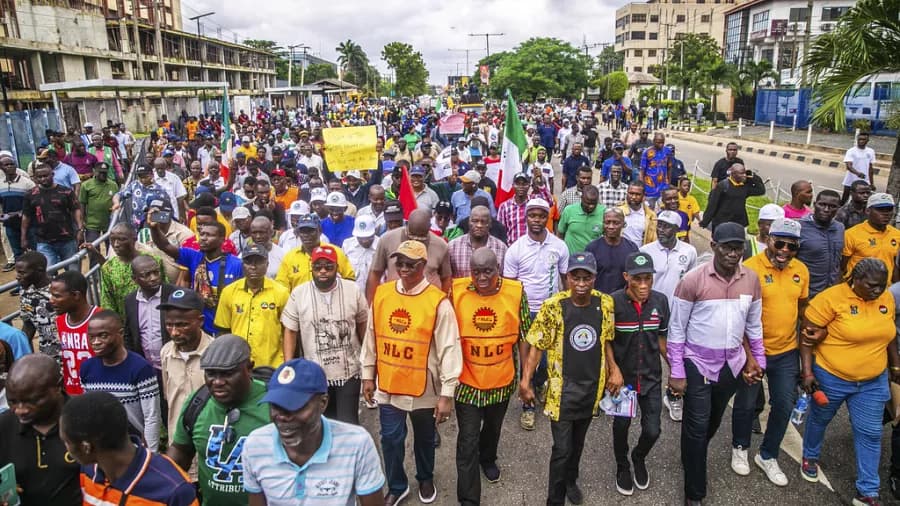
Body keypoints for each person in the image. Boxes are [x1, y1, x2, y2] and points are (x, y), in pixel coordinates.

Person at [667, 222, 765, 505]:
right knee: (697, 425)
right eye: (727, 247)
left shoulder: (751, 280)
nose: (733, 254)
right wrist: (676, 371)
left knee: (712, 420)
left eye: (738, 248)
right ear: (713, 247)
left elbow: (754, 326)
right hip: (697, 364)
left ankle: (691, 453)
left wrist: (758, 361)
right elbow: (676, 330)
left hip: (731, 365)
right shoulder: (693, 280)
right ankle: (694, 493)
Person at [361, 240, 462, 505]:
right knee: (391, 439)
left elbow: (450, 348)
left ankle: (425, 477)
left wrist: (446, 394)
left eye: (410, 264)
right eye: (399, 263)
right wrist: (367, 374)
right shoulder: (382, 294)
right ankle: (397, 485)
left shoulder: (438, 302)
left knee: (425, 437)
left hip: (424, 387)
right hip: (389, 383)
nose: (403, 269)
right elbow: (372, 337)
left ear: (423, 266)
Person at [800, 258, 899, 505]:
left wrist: (895, 364)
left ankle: (868, 491)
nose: (878, 291)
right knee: (820, 419)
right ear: (854, 279)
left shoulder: (884, 298)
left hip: (872, 382)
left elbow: (889, 334)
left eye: (882, 285)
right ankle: (810, 455)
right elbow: (806, 337)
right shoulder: (831, 299)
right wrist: (808, 373)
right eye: (872, 286)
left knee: (871, 433)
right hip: (832, 376)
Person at [519, 252, 614, 506]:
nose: (581, 284)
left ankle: (571, 480)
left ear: (595, 278)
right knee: (561, 449)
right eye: (576, 277)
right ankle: (555, 499)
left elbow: (605, 340)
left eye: (587, 278)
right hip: (562, 390)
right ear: (567, 277)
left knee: (578, 443)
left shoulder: (604, 304)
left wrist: (614, 369)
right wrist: (526, 380)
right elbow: (537, 345)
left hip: (592, 387)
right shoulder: (554, 306)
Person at [243, 359, 386, 505]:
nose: (282, 417)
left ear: (323, 403)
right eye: (276, 406)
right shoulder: (255, 446)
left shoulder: (357, 444)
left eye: (295, 406)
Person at [451, 248, 529, 504]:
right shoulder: (457, 292)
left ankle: (488, 458)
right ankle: (469, 500)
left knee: (493, 429)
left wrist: (525, 378)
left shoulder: (515, 292)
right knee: (467, 441)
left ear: (499, 269)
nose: (481, 277)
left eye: (488, 271)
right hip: (467, 383)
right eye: (476, 272)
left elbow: (524, 336)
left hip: (501, 381)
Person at [737, 218, 808, 487]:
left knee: (783, 405)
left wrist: (805, 358)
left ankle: (767, 455)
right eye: (780, 243)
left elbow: (802, 313)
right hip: (753, 351)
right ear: (768, 240)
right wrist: (750, 356)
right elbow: (740, 318)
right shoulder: (750, 269)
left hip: (786, 351)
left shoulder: (801, 270)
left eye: (792, 246)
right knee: (745, 405)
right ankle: (740, 448)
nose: (785, 250)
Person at [168, 334, 270, 506]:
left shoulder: (274, 405)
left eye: (227, 373)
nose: (217, 382)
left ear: (249, 368)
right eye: (210, 373)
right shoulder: (197, 403)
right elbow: (180, 451)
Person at [61, 391, 198, 505]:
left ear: (86, 448)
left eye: (66, 441)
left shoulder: (174, 490)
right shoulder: (89, 472)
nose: (66, 448)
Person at [281, 245, 368, 424]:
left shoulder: (353, 290)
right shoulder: (299, 294)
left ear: (337, 268)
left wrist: (368, 366)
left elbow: (363, 327)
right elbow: (290, 330)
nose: (323, 271)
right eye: (318, 266)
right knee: (320, 424)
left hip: (349, 371)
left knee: (347, 423)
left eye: (328, 267)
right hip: (314, 373)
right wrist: (289, 365)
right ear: (311, 268)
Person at [607, 251, 670, 496]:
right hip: (623, 382)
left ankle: (639, 456)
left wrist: (676, 369)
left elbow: (662, 338)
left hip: (652, 378)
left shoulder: (661, 301)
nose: (643, 285)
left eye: (648, 278)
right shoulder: (612, 303)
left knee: (653, 429)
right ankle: (622, 465)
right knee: (621, 426)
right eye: (637, 279)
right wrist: (614, 370)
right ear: (626, 277)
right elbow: (606, 341)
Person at [503, 198, 569, 431]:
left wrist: (568, 307)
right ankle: (527, 406)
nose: (537, 220)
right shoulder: (516, 249)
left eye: (541, 215)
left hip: (551, 311)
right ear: (526, 217)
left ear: (547, 217)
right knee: (527, 361)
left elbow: (565, 279)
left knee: (547, 360)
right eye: (533, 215)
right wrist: (514, 316)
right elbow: (509, 287)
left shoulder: (559, 246)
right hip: (526, 313)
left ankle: (538, 385)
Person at [0, 354, 81, 506]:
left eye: (32, 401)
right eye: (13, 401)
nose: (20, 410)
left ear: (59, 386)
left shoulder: (89, 418)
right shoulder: (4, 426)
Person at [79, 310, 162, 451]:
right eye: (91, 337)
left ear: (120, 333)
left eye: (103, 336)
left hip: (133, 448)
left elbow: (151, 416)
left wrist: (150, 454)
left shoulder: (140, 368)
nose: (96, 342)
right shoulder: (87, 368)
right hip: (102, 449)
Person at [150, 219, 243, 335]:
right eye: (201, 234)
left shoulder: (236, 264)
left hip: (227, 329)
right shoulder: (194, 257)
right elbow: (164, 245)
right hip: (201, 330)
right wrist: (154, 228)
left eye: (209, 235)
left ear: (222, 239)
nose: (203, 238)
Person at [214, 244, 289, 368]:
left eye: (259, 262)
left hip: (272, 365)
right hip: (238, 363)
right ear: (242, 265)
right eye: (249, 262)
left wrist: (287, 362)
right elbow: (223, 330)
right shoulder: (229, 292)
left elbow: (288, 330)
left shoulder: (281, 293)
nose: (254, 267)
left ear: (267, 265)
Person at [158, 287, 212, 441]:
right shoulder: (166, 353)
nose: (174, 332)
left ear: (200, 321)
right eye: (169, 325)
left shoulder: (215, 354)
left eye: (182, 325)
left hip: (207, 439)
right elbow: (168, 396)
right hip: (178, 440)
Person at [366, 209, 452, 303]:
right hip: (394, 301)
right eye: (412, 236)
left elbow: (446, 278)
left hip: (428, 305)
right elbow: (375, 273)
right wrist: (371, 305)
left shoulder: (441, 245)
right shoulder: (387, 239)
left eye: (421, 238)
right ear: (406, 225)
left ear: (429, 227)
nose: (415, 241)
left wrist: (442, 303)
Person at [21, 163, 84, 268]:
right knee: (48, 273)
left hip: (67, 239)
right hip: (43, 242)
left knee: (73, 272)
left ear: (52, 174)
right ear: (35, 178)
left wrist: (80, 230)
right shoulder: (30, 195)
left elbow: (76, 209)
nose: (43, 179)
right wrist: (23, 237)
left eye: (46, 176)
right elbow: (26, 216)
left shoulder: (66, 191)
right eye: (39, 177)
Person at [98, 222, 165, 319]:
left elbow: (164, 289)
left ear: (134, 239)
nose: (116, 244)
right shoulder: (108, 268)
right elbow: (108, 301)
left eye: (121, 240)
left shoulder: (153, 261)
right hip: (126, 322)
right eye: (112, 240)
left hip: (154, 317)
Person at [51, 271, 101, 395]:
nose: (51, 301)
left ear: (76, 295)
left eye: (57, 296)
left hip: (100, 393)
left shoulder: (101, 319)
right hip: (73, 394)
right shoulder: (59, 321)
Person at [276, 214, 356, 291]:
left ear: (320, 231)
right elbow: (282, 287)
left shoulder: (335, 252)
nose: (306, 235)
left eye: (310, 231)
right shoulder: (290, 257)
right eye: (303, 231)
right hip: (300, 302)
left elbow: (350, 279)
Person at [639, 210, 698, 301]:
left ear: (676, 229)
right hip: (652, 307)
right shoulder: (645, 251)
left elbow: (692, 283)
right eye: (659, 225)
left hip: (677, 307)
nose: (661, 230)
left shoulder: (689, 251)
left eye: (666, 227)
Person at [842, 192, 900, 282]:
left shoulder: (897, 235)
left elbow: (896, 267)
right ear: (868, 211)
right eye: (880, 209)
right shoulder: (851, 234)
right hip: (858, 289)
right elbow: (841, 268)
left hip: (885, 290)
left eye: (889, 209)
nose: (886, 214)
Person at [797, 190, 844, 299]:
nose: (826, 210)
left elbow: (838, 260)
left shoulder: (840, 228)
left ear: (838, 209)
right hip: (806, 294)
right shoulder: (800, 227)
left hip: (831, 294)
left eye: (832, 206)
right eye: (822, 205)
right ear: (814, 205)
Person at [585, 208, 639, 294]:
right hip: (598, 300)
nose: (611, 226)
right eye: (607, 222)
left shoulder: (632, 249)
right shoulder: (592, 248)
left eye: (616, 223)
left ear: (623, 224)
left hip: (623, 300)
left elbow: (636, 278)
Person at [17, 251, 59, 363]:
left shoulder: (59, 290)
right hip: (47, 358)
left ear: (39, 270)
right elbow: (28, 324)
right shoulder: (25, 293)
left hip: (69, 353)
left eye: (22, 273)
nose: (17, 277)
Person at [699, 164, 766, 231]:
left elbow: (761, 190)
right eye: (741, 173)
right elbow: (712, 205)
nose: (744, 175)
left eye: (744, 173)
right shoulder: (722, 186)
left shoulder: (745, 186)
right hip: (722, 223)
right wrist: (705, 221)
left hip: (739, 223)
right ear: (733, 174)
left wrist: (753, 176)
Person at [448, 205, 507, 278]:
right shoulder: (453, 247)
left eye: (483, 222)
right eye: (475, 221)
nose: (479, 225)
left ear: (490, 224)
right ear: (469, 222)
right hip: (460, 289)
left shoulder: (501, 248)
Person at [0, 152, 35, 262]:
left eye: (12, 164)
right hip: (10, 224)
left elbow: (35, 203)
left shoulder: (28, 183)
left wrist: (20, 212)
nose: (10, 166)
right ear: (1, 168)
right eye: (6, 165)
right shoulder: (0, 184)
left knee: (35, 251)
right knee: (18, 254)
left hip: (29, 223)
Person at [79, 161, 119, 245]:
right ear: (95, 171)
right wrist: (82, 221)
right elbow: (82, 203)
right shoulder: (86, 185)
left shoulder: (113, 185)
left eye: (105, 173)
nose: (103, 174)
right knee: (93, 248)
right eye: (100, 172)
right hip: (92, 224)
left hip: (109, 223)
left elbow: (117, 199)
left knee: (111, 248)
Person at [558, 185, 605, 254]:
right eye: (588, 203)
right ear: (581, 198)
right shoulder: (569, 210)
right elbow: (560, 234)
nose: (591, 206)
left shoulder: (604, 212)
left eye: (594, 203)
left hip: (593, 259)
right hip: (571, 258)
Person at [343, 215, 380, 293]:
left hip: (376, 292)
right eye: (361, 238)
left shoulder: (381, 245)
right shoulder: (347, 245)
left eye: (368, 237)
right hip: (352, 292)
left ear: (375, 232)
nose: (364, 241)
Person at [619, 182, 658, 247]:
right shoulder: (619, 211)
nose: (633, 197)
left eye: (637, 194)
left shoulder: (650, 215)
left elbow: (653, 238)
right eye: (631, 193)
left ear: (643, 196)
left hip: (640, 253)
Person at [841, 131, 876, 204]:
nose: (861, 141)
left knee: (863, 199)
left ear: (867, 140)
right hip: (850, 180)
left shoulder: (871, 151)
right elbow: (849, 166)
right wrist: (858, 173)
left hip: (865, 181)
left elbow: (870, 168)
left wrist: (872, 183)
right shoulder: (851, 151)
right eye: (859, 139)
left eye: (863, 139)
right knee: (845, 198)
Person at [639, 133, 671, 208]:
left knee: (662, 210)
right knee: (649, 210)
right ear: (653, 141)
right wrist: (642, 188)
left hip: (663, 187)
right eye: (658, 142)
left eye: (662, 142)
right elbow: (642, 171)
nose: (661, 144)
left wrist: (668, 182)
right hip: (649, 188)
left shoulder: (667, 151)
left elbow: (669, 167)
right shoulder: (647, 152)